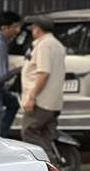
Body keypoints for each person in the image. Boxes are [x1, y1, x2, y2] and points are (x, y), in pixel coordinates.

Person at [20, 15, 67, 163]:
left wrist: (32, 97)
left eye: (33, 28)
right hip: (54, 101)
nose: (32, 31)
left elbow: (43, 73)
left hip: (41, 100)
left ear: (37, 29)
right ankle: (53, 167)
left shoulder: (44, 45)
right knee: (46, 135)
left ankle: (50, 163)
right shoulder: (58, 45)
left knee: (29, 132)